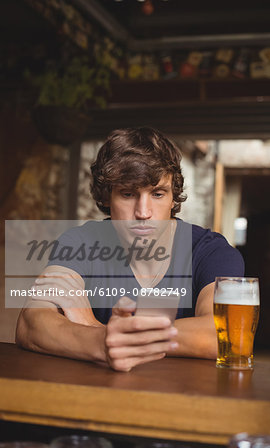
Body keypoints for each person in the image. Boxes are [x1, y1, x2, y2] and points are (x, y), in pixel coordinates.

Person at [16, 127, 244, 372]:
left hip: (187, 400)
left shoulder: (211, 252)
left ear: (173, 197)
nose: (143, 213)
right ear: (107, 197)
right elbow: (31, 324)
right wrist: (102, 343)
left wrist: (99, 330)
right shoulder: (81, 243)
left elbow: (224, 334)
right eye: (127, 194)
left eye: (157, 194)